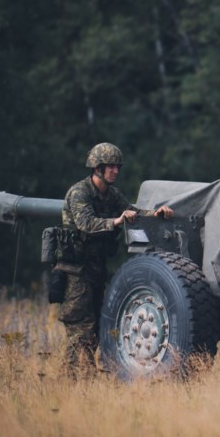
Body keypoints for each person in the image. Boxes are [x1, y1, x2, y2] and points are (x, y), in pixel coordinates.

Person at [54, 142, 174, 378]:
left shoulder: (112, 195)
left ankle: (81, 380)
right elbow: (85, 224)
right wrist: (116, 221)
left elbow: (133, 212)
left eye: (117, 167)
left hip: (96, 269)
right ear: (97, 168)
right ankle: (72, 380)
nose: (115, 171)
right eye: (110, 167)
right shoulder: (80, 192)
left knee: (98, 327)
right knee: (81, 329)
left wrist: (156, 214)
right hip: (75, 271)